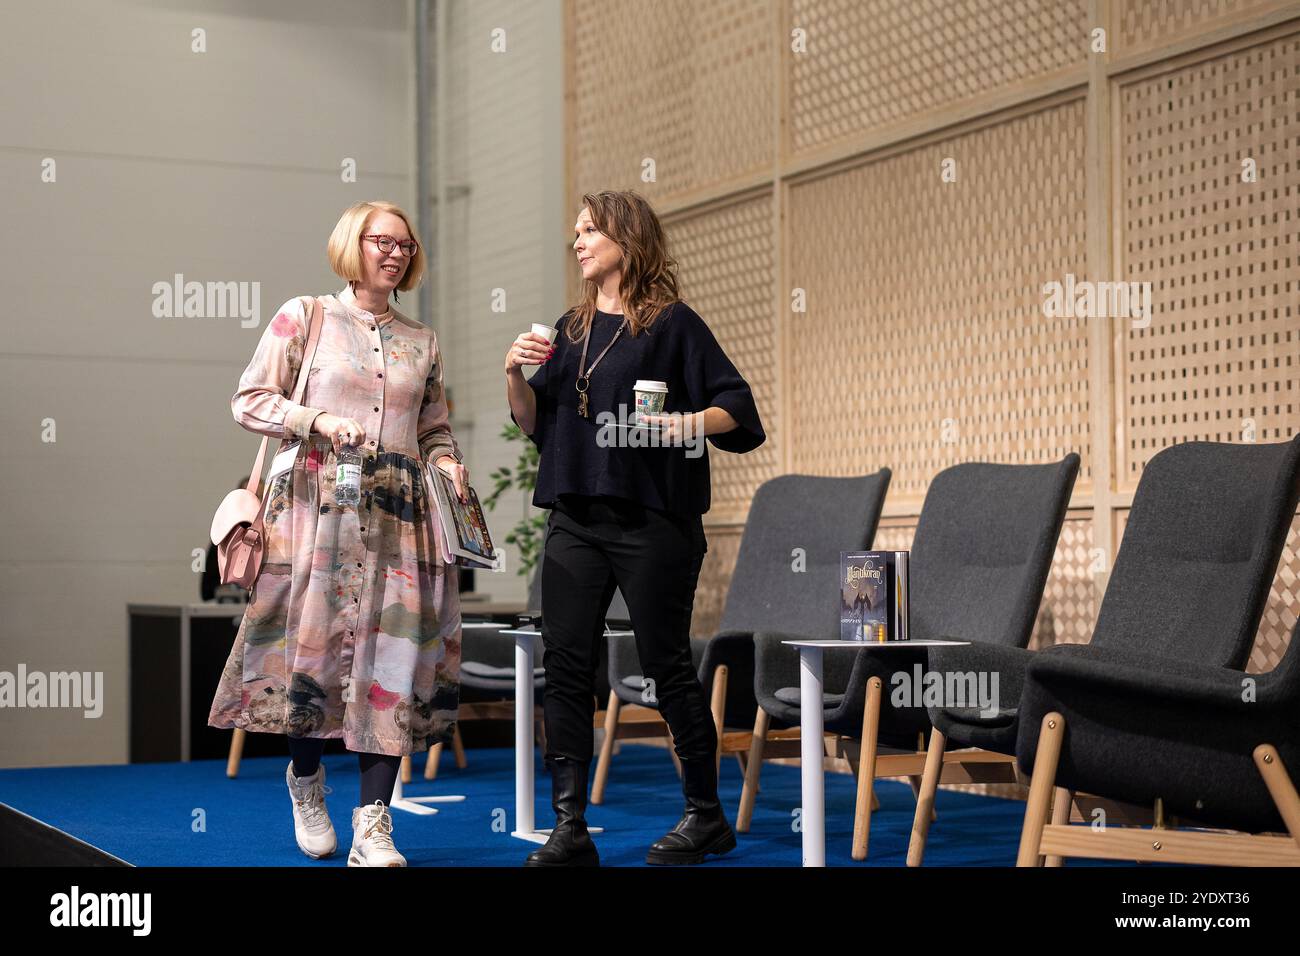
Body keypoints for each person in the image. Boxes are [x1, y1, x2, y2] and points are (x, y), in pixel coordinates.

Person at [504, 189, 766, 866]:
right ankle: (570, 828)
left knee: (665, 664)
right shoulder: (571, 328)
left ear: (628, 240)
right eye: (577, 231)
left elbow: (737, 408)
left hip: (653, 522)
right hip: (575, 519)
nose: (579, 240)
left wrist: (685, 424)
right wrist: (514, 372)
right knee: (565, 667)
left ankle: (705, 815)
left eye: (591, 230)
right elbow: (539, 424)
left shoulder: (674, 325)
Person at [208, 200, 471, 867]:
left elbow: (434, 427)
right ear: (353, 245)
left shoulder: (424, 340)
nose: (396, 253)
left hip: (397, 520)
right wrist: (317, 419)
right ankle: (305, 779)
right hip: (316, 513)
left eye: (406, 245)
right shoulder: (307, 315)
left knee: (394, 661)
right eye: (383, 241)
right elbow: (250, 399)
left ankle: (374, 825)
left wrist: (447, 462)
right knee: (314, 653)